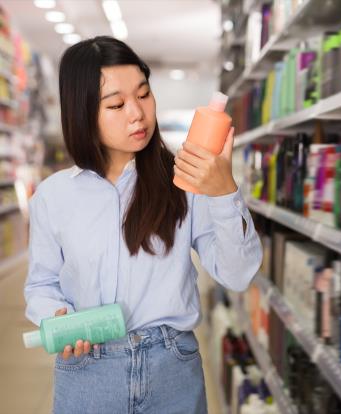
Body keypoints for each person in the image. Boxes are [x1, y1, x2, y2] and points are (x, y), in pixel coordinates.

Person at [23, 36, 262, 413]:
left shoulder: (184, 182)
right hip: (87, 371)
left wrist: (224, 193)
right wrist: (57, 317)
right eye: (116, 104)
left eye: (144, 94)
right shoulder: (54, 197)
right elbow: (42, 284)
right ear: (81, 112)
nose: (137, 113)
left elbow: (238, 274)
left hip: (172, 368)